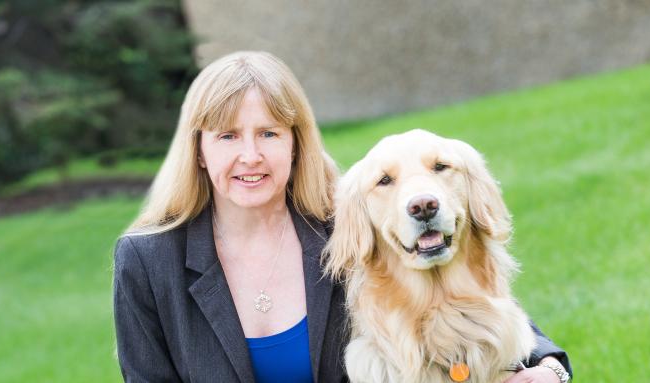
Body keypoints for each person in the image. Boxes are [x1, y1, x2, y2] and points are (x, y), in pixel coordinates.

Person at [112, 51, 572, 382]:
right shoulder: (148, 261)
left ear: (295, 142)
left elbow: (467, 296)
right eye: (228, 136)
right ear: (199, 151)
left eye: (269, 133)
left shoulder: (344, 224)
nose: (250, 155)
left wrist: (548, 368)